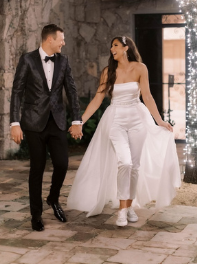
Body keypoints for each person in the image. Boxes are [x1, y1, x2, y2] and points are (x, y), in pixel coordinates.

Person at [67, 36, 181, 226]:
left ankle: (128, 207)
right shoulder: (108, 72)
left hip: (138, 119)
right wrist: (79, 121)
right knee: (125, 162)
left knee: (135, 166)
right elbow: (97, 99)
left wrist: (159, 120)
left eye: (116, 45)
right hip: (116, 120)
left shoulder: (140, 68)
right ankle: (121, 210)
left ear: (126, 48)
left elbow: (147, 96)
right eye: (111, 46)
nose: (112, 49)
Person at [9, 24, 82, 232]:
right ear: (49, 39)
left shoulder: (64, 61)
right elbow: (17, 92)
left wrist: (77, 120)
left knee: (62, 164)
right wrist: (15, 123)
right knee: (37, 169)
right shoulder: (28, 60)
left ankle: (53, 198)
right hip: (33, 123)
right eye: (61, 39)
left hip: (56, 122)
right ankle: (36, 215)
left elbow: (72, 91)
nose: (64, 43)